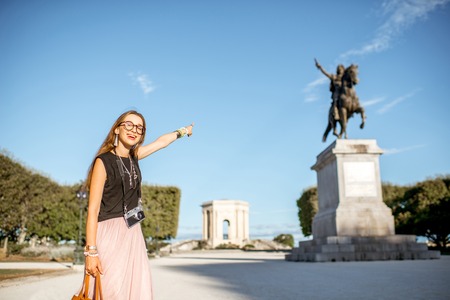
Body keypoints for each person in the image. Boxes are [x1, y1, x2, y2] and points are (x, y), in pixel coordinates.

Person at [82, 110, 194, 299]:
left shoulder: (134, 157)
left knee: (135, 290)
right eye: (129, 125)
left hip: (133, 232)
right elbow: (93, 210)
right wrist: (91, 253)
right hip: (109, 233)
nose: (134, 130)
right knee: (111, 290)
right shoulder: (103, 161)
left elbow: (161, 143)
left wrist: (182, 131)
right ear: (117, 129)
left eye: (139, 128)